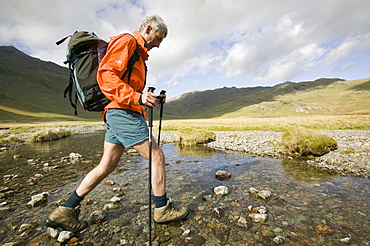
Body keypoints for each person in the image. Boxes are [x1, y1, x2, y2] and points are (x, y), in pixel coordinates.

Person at [47, 14, 189, 233]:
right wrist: (138, 98)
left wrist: (147, 99)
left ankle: (63, 212)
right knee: (157, 156)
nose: (159, 45)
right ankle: (162, 209)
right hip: (122, 112)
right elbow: (106, 76)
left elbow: (125, 85)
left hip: (117, 111)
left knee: (107, 166)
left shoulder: (138, 53)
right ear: (149, 28)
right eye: (159, 38)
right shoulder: (128, 41)